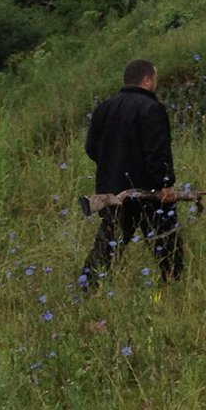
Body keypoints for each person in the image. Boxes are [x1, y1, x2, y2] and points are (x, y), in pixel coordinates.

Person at [79, 57, 182, 285]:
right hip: (149, 193)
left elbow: (91, 149)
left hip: (113, 192)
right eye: (155, 79)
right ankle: (175, 287)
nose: (156, 84)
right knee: (166, 246)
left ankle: (86, 289)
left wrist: (113, 166)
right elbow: (157, 152)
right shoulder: (151, 108)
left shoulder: (103, 109)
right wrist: (166, 184)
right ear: (147, 80)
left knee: (107, 247)